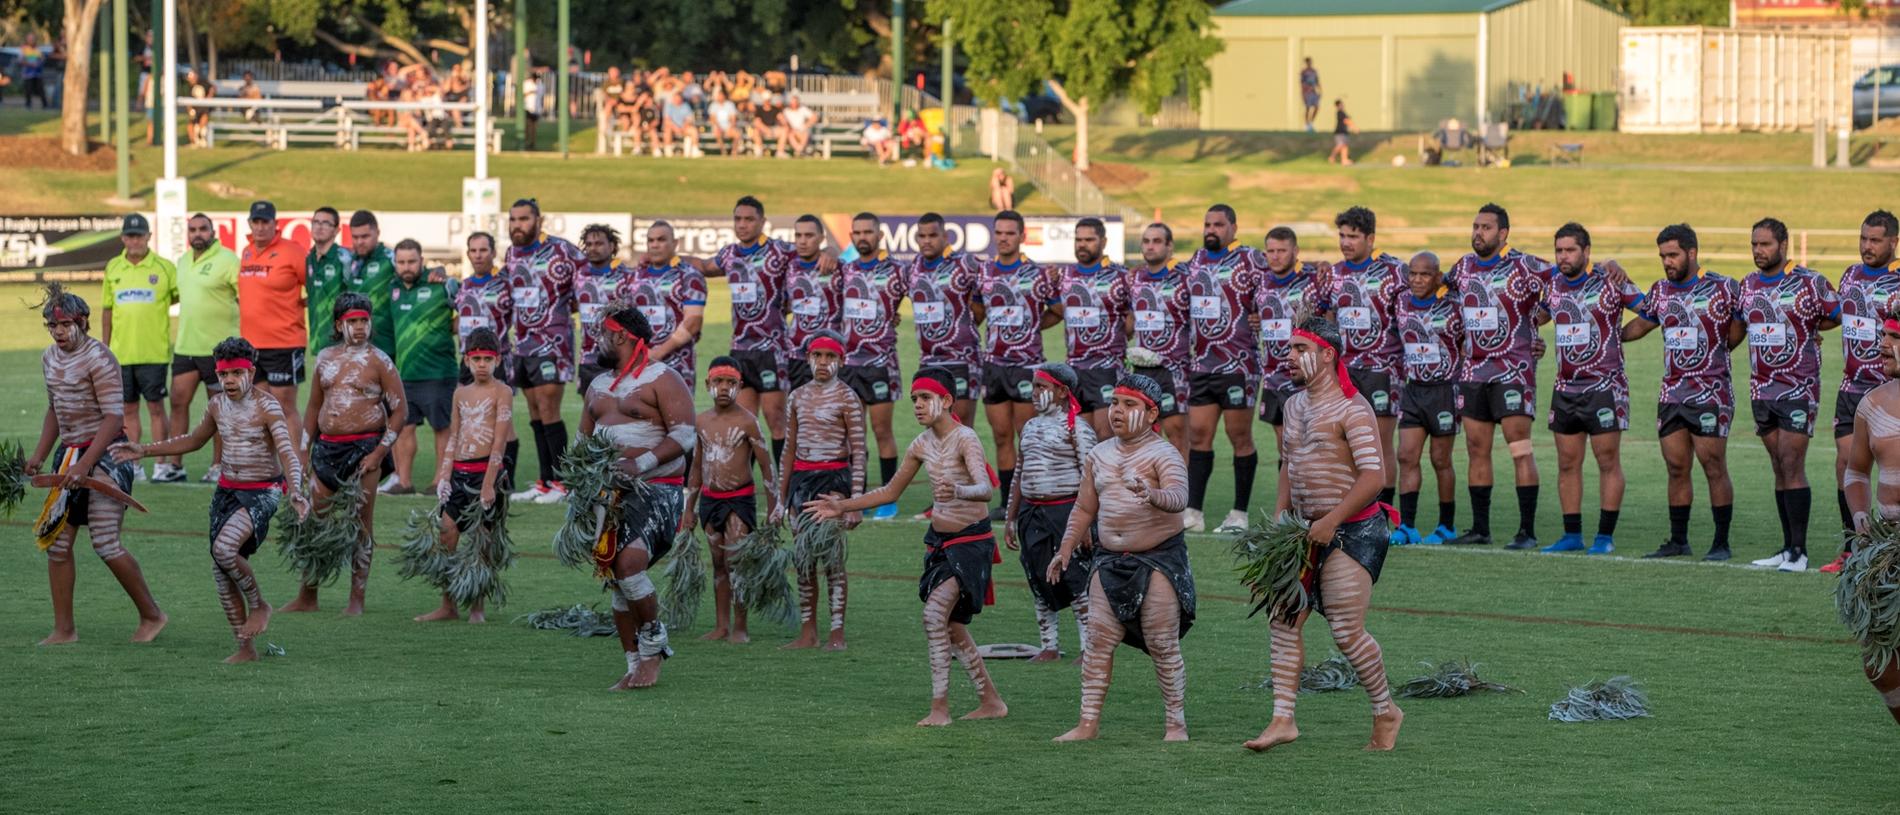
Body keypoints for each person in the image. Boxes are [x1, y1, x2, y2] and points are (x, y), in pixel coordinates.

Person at [805, 371, 1008, 727]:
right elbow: (890, 492)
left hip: (971, 543)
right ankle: (990, 700)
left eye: (924, 397)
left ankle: (939, 709)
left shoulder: (966, 439)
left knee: (934, 616)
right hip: (940, 543)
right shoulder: (920, 444)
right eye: (913, 398)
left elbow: (985, 489)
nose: (916, 405)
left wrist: (959, 491)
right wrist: (844, 506)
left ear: (945, 401)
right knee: (953, 625)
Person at [1245, 316, 1402, 753]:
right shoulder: (1293, 405)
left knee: (1347, 630)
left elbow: (1375, 476)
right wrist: (1281, 515)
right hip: (1302, 531)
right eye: (1288, 348)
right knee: (1282, 620)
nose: (1288, 356)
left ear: (1327, 355)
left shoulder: (1353, 409)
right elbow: (1288, 465)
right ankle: (1282, 720)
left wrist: (1332, 520)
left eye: (1299, 349)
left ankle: (1385, 710)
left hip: (1353, 529)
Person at [113, 337, 307, 662]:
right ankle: (245, 648)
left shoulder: (267, 405)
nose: (229, 380)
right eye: (223, 374)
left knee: (225, 549)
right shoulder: (217, 405)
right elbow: (193, 440)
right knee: (221, 570)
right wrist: (145, 449)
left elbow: (287, 450)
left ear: (251, 371)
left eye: (236, 373)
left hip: (263, 491)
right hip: (227, 491)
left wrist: (297, 489)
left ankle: (259, 604)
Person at [1046, 373, 1194, 742]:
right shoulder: (1099, 454)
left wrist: (1153, 494)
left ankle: (1176, 724)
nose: (1117, 411)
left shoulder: (1163, 453)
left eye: (1129, 405)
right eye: (1114, 403)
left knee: (1162, 643)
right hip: (1108, 559)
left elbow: (1179, 496)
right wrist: (1065, 549)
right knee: (1097, 642)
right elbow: (1083, 508)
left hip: (1157, 559)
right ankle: (1087, 724)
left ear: (1150, 413)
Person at [26, 284, 168, 646]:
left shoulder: (100, 358)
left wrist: (87, 464)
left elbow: (112, 417)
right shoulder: (48, 358)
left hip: (107, 455)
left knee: (105, 542)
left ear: (83, 322)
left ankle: (153, 615)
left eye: (64, 325)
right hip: (70, 456)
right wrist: (40, 455)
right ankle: (64, 630)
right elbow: (54, 409)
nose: (58, 332)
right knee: (57, 547)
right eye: (51, 326)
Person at [574, 306, 697, 690]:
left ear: (622, 336)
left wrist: (640, 464)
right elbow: (582, 441)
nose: (596, 341)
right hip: (607, 495)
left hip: (656, 490)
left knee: (628, 564)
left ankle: (654, 641)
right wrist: (578, 481)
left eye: (602, 334)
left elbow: (685, 436)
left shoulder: (663, 378)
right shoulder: (596, 386)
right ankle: (634, 663)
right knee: (616, 576)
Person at [1622, 224, 1743, 560]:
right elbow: (1642, 324)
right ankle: (1679, 540)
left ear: (1692, 253)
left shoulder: (1722, 287)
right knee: (1676, 467)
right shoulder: (1661, 290)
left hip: (1711, 393)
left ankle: (1721, 543)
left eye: (1672, 255)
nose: (1667, 262)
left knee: (1713, 465)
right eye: (1662, 256)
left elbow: (1737, 332)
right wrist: (1607, 337)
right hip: (1672, 394)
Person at [282, 294, 408, 615]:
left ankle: (356, 600)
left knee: (361, 524)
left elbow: (399, 411)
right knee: (314, 520)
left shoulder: (380, 361)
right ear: (340, 325)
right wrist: (304, 449)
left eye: (364, 320)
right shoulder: (324, 358)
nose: (360, 327)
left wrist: (380, 452)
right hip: (327, 449)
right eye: (353, 321)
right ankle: (307, 596)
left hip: (365, 449)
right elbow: (313, 407)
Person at [1444, 204, 1551, 549]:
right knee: (1477, 450)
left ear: (1503, 233)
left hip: (1513, 372)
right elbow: (1438, 298)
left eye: (1486, 227)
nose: (1478, 232)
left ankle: (1527, 532)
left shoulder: (1526, 265)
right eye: (1475, 226)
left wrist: (1539, 326)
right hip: (1473, 371)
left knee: (1519, 450)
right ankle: (1480, 529)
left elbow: (1567, 286)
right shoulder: (1461, 268)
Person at [1738, 218, 1840, 572]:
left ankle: (1800, 552)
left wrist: (1811, 328)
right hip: (1761, 388)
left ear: (1783, 245)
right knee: (1778, 466)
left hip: (1798, 387)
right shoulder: (1747, 284)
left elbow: (1837, 313)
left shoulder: (1810, 282)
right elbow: (1739, 323)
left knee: (1792, 462)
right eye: (1754, 244)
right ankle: (1785, 549)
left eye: (1765, 244)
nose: (1758, 251)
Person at [1540, 223, 1645, 555]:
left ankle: (1604, 537)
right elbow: (1536, 317)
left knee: (1607, 461)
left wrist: (1623, 334)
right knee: (1567, 463)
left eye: (1570, 250)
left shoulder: (1610, 280)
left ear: (1586, 251)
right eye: (1559, 250)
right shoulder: (1553, 285)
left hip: (1605, 387)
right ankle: (1572, 535)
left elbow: (1652, 310)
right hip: (1565, 388)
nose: (1563, 256)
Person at [414, 329, 517, 624]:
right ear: (467, 361)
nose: (482, 364)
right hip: (460, 471)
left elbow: (500, 440)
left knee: (482, 541)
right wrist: (444, 476)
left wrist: (488, 484)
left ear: (497, 360)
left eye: (487, 359)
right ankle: (448, 604)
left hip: (487, 471)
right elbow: (454, 436)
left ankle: (477, 606)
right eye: (476, 359)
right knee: (447, 532)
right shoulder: (460, 392)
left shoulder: (503, 392)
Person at [775, 334, 866, 650]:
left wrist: (854, 503)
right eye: (818, 355)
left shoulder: (847, 398)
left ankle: (837, 633)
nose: (823, 362)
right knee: (803, 558)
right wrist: (780, 498)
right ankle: (807, 631)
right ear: (808, 359)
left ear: (841, 361)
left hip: (834, 482)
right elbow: (788, 449)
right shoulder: (797, 397)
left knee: (832, 558)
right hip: (802, 481)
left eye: (830, 356)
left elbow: (859, 450)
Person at [681, 359, 780, 642]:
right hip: (711, 501)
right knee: (719, 562)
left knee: (737, 562)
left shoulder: (748, 421)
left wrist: (774, 507)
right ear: (707, 385)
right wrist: (689, 507)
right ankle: (721, 625)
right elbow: (697, 467)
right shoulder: (700, 421)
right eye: (718, 382)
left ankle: (740, 627)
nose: (724, 388)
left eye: (731, 383)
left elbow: (766, 466)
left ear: (740, 386)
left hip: (739, 499)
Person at [1182, 204, 1267, 534]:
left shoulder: (1250, 259)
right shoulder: (1196, 260)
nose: (1211, 230)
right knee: (1199, 435)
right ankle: (1193, 512)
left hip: (1239, 364)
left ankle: (1239, 513)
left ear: (1233, 227)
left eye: (1218, 224)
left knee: (1239, 436)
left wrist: (1260, 314)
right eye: (1207, 223)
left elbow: (1273, 289)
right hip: (1202, 363)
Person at [1003, 363, 1097, 662]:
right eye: (1034, 386)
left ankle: (1088, 648)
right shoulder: (1029, 426)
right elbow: (1019, 473)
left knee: (1076, 579)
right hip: (1032, 513)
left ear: (1062, 392)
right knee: (1038, 576)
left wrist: (1085, 526)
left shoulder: (1078, 429)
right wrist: (1010, 517)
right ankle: (1049, 646)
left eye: (1042, 387)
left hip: (1065, 511)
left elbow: (1091, 479)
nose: (1034, 393)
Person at [1824, 210, 1900, 574]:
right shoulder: (1850, 275)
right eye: (1864, 238)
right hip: (1851, 387)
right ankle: (1854, 546)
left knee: (1885, 465)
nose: (1867, 246)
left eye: (1876, 240)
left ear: (1893, 242)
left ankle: (1883, 544)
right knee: (1847, 465)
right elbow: (1837, 315)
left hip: (1887, 389)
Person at [1324, 205, 1406, 532]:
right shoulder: (1332, 274)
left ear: (1370, 238)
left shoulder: (1395, 271)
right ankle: (1349, 511)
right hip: (1344, 372)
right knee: (1342, 442)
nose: (1346, 242)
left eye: (1353, 236)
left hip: (1383, 370)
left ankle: (1383, 516)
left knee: (1380, 444)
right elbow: (1327, 316)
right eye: (1342, 235)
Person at [701, 196, 797, 462]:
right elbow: (705, 266)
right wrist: (670, 258)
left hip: (772, 350)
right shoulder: (729, 254)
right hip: (740, 351)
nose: (742, 224)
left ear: (762, 222)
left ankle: (781, 486)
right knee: (744, 423)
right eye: (737, 219)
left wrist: (831, 256)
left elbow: (814, 254)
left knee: (776, 420)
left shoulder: (779, 250)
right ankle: (743, 485)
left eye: (748, 219)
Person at [1838, 317, 1900, 724]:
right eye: (1884, 335)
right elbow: (1856, 471)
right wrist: (1861, 517)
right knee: (1878, 664)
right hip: (1887, 552)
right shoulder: (1872, 403)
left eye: (1894, 337)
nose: (1883, 344)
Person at [979, 210, 1059, 522]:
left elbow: (1058, 309)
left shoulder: (1037, 274)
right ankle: (1007, 501)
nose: (1003, 237)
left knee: (1027, 435)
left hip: (1027, 367)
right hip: (994, 365)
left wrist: (1033, 326)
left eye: (1010, 233)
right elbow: (976, 309)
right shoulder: (984, 272)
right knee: (1001, 436)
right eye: (999, 232)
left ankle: (1030, 497)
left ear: (1022, 236)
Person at [503, 199, 584, 505]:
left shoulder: (563, 250)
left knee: (549, 409)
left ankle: (563, 483)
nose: (517, 225)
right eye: (513, 219)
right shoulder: (511, 253)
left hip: (553, 344)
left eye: (524, 219)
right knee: (535, 411)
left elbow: (587, 283)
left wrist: (562, 313)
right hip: (522, 344)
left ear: (539, 220)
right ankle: (545, 481)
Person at [837, 213, 909, 519]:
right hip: (849, 362)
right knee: (852, 433)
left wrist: (893, 316)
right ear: (852, 236)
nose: (863, 236)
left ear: (880, 236)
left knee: (882, 431)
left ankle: (888, 500)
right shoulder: (846, 269)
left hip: (881, 363)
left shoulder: (897, 270)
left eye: (869, 232)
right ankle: (859, 495)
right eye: (858, 232)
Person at [100, 213, 178, 484]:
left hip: (153, 353)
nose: (135, 240)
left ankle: (160, 463)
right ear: (123, 238)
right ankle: (135, 465)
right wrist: (105, 349)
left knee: (156, 408)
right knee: (128, 410)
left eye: (139, 235)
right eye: (130, 235)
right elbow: (107, 311)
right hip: (121, 354)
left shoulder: (165, 268)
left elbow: (180, 297)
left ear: (148, 237)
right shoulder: (113, 267)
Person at [1393, 252, 1464, 546]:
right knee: (1406, 456)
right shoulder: (1400, 303)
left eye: (1425, 274)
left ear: (1438, 277)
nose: (1418, 280)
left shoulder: (1455, 308)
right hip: (1413, 390)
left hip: (1444, 391)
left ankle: (1446, 525)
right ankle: (1406, 525)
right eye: (1413, 274)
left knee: (1440, 459)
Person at [169, 213, 240, 483]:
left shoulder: (229, 260)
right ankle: (175, 466)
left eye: (203, 229)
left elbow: (245, 297)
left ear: (213, 231)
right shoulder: (183, 261)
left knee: (219, 408)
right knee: (177, 403)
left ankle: (218, 465)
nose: (197, 233)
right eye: (192, 229)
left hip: (219, 350)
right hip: (187, 345)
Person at [388, 239, 459, 496]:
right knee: (404, 427)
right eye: (401, 262)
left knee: (441, 427)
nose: (406, 267)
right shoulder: (393, 287)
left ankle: (440, 479)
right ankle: (403, 481)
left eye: (411, 261)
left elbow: (467, 306)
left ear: (422, 261)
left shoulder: (441, 284)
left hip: (439, 372)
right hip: (405, 372)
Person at [237, 201, 309, 453]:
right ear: (250, 224)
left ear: (274, 224)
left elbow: (314, 287)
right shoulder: (246, 252)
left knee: (284, 407)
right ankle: (270, 469)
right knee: (260, 409)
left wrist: (301, 304)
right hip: (252, 345)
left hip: (285, 343)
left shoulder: (292, 251)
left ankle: (296, 469)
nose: (260, 227)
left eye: (265, 222)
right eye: (255, 222)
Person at [1254, 225, 1325, 469]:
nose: (1275, 256)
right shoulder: (1261, 280)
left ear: (1295, 251)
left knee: (1309, 443)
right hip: (1273, 376)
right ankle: (1291, 505)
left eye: (1282, 250)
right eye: (1270, 250)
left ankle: (1317, 501)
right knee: (1284, 444)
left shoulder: (1313, 280)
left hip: (1304, 377)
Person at [1055, 217, 1131, 440]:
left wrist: (1114, 339)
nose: (1082, 244)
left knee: (1106, 435)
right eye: (1078, 239)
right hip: (1075, 369)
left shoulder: (1121, 276)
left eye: (1089, 239)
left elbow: (1133, 317)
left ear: (1103, 242)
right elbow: (1058, 312)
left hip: (1106, 368)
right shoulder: (1063, 276)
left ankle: (1111, 477)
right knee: (1080, 440)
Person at [909, 212, 984, 434]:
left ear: (945, 236)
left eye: (932, 235)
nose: (927, 240)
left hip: (962, 360)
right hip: (928, 362)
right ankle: (942, 471)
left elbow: (998, 279)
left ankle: (967, 471)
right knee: (934, 433)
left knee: (960, 431)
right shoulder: (913, 268)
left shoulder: (966, 263)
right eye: (922, 236)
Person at [1128, 223, 1191, 457]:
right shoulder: (1134, 279)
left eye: (1156, 241)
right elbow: (1126, 317)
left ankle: (1179, 493)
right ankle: (1148, 493)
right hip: (1141, 369)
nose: (1150, 246)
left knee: (1177, 436)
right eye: (1146, 241)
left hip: (1174, 370)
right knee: (1141, 437)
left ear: (1169, 246)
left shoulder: (1185, 278)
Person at [629, 221, 709, 387]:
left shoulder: (689, 276)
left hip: (677, 365)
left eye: (661, 240)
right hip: (638, 364)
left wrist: (658, 353)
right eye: (650, 241)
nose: (655, 245)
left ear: (675, 243)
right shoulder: (636, 277)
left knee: (676, 413)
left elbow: (693, 322)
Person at [575, 224, 638, 397]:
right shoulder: (578, 275)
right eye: (588, 244)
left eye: (598, 243)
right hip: (588, 357)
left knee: (618, 411)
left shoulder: (628, 276)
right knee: (591, 410)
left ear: (611, 246)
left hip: (618, 357)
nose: (593, 248)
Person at [784, 215, 844, 391]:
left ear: (821, 238)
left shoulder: (838, 268)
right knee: (797, 413)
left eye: (809, 236)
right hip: (796, 354)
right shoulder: (788, 266)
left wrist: (832, 251)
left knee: (829, 414)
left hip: (828, 353)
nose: (802, 241)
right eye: (798, 235)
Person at [455, 232, 514, 379]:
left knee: (496, 402)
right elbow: (459, 320)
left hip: (495, 360)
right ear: (468, 254)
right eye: (473, 251)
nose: (478, 255)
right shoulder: (464, 286)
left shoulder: (505, 284)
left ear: (493, 253)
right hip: (468, 361)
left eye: (483, 250)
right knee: (465, 402)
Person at [345, 210, 399, 361]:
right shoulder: (349, 261)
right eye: (355, 237)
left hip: (386, 347)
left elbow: (417, 274)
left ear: (378, 233)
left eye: (365, 236)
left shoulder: (391, 259)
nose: (359, 242)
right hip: (355, 347)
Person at [306, 207, 354, 357]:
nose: (319, 226)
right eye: (316, 222)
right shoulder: (310, 258)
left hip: (342, 343)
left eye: (326, 223)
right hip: (317, 341)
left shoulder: (344, 258)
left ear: (336, 230)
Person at [660, 91, 698, 156]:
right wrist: (675, 128)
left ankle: (695, 150)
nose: (677, 100)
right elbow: (667, 120)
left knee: (693, 130)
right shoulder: (669, 106)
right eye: (675, 98)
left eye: (678, 98)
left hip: (684, 127)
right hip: (672, 127)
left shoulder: (686, 106)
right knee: (667, 129)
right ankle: (668, 150)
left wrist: (683, 127)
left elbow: (689, 119)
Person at [706, 87, 742, 155]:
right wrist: (719, 127)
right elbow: (712, 119)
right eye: (719, 95)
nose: (720, 97)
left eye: (721, 95)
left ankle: (734, 151)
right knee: (717, 132)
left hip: (728, 127)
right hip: (717, 127)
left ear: (724, 96)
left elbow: (733, 118)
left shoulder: (730, 105)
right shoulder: (713, 105)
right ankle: (723, 151)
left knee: (737, 135)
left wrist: (730, 127)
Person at [19, 33, 50, 108]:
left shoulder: (38, 49)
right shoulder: (24, 49)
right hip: (27, 74)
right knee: (28, 90)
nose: (31, 40)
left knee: (41, 89)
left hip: (38, 73)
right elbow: (20, 61)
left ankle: (45, 105)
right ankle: (28, 105)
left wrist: (39, 63)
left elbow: (42, 59)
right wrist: (30, 64)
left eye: (32, 39)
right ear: (27, 40)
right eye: (29, 39)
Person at [1328, 99, 1355, 165]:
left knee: (1345, 146)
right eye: (1341, 104)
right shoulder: (1340, 112)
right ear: (1339, 105)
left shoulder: (1343, 112)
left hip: (1344, 131)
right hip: (1340, 132)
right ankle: (1332, 157)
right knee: (1340, 145)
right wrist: (1354, 127)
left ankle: (1344, 160)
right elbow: (1346, 120)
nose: (1343, 105)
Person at [1299, 57, 1321, 133]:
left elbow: (1317, 81)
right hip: (1307, 92)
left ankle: (1311, 123)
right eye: (1308, 62)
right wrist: (1303, 93)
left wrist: (1320, 90)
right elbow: (1302, 83)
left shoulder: (1314, 71)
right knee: (1308, 108)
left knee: (1316, 107)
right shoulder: (1304, 72)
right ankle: (1307, 124)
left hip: (1314, 92)